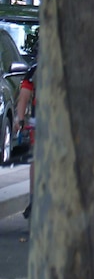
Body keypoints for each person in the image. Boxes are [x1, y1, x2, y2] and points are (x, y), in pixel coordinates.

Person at [16, 63, 36, 219]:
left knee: (37, 160)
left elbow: (24, 97)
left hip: (39, 121)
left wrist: (21, 120)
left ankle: (33, 199)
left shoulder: (34, 70)